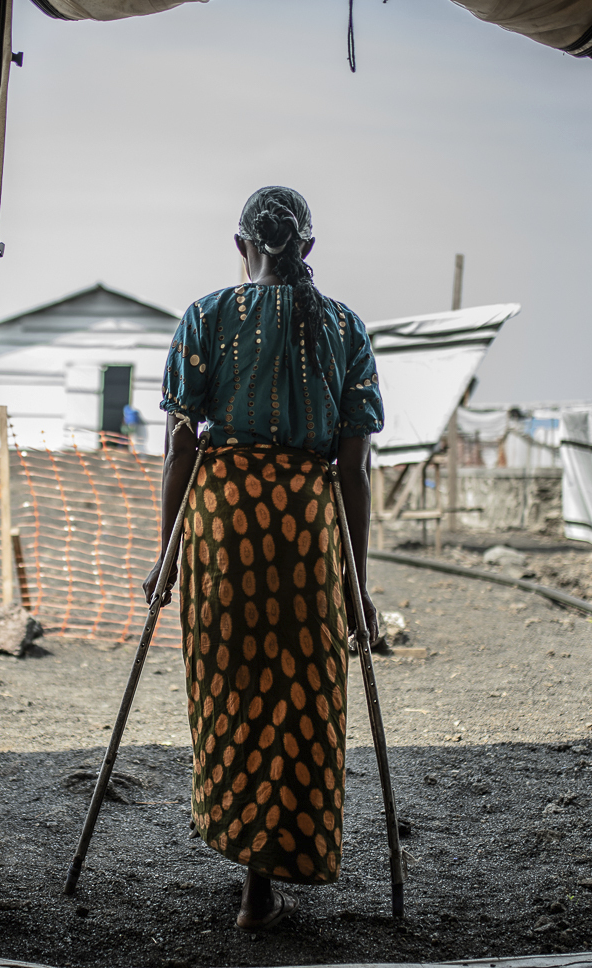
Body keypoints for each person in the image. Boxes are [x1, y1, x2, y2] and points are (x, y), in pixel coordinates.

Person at [142, 186, 384, 930]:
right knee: (300, 700)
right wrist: (358, 586)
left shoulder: (205, 318)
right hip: (309, 532)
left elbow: (182, 445)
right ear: (307, 249)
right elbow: (355, 469)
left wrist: (167, 556)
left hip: (226, 528)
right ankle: (264, 881)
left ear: (238, 244)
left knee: (234, 690)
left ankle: (246, 860)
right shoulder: (345, 327)